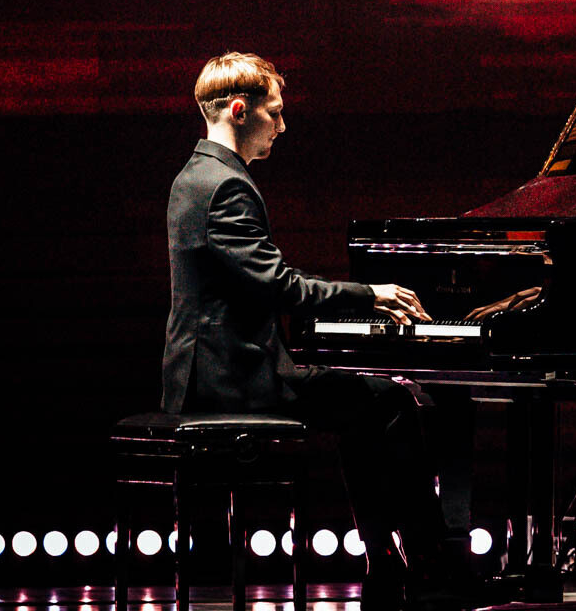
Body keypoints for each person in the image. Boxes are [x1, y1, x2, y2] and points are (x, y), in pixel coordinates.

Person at [162, 52, 469, 609]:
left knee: (366, 406)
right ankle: (428, 566)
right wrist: (371, 295)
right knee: (391, 401)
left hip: (209, 371)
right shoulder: (226, 186)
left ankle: (390, 564)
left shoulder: (194, 176)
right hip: (234, 379)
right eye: (275, 112)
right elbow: (279, 286)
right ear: (239, 110)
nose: (282, 126)